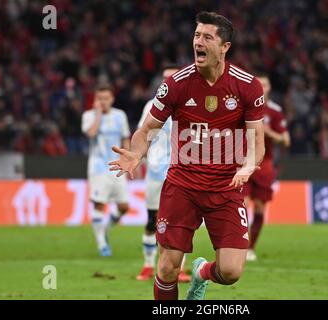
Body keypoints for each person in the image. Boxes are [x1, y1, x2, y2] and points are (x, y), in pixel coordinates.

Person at [108, 11, 265, 300]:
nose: (198, 42)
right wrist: (135, 154)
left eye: (207, 37)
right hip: (183, 186)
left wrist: (249, 164)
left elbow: (257, 139)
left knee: (231, 272)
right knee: (167, 267)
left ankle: (201, 272)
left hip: (226, 187)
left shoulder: (247, 86)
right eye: (196, 35)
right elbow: (147, 130)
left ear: (225, 47)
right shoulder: (176, 84)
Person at [136, 65, 191, 283]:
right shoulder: (151, 106)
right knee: (152, 221)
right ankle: (148, 265)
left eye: (173, 77)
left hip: (183, 173)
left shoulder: (190, 104)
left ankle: (180, 269)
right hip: (156, 172)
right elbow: (143, 133)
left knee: (181, 223)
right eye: (165, 78)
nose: (169, 81)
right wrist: (138, 158)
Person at [243, 75, 290, 261]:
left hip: (265, 164)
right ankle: (239, 246)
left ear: (269, 87)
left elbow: (286, 140)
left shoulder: (275, 112)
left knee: (260, 208)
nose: (262, 87)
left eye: (265, 84)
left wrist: (267, 132)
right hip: (244, 162)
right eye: (259, 84)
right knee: (243, 205)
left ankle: (251, 248)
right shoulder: (244, 106)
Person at [82, 84, 131, 257]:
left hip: (116, 165)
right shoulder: (88, 116)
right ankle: (102, 244)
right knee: (99, 203)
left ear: (112, 99)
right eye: (99, 98)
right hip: (98, 167)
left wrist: (127, 160)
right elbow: (91, 134)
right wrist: (97, 115)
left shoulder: (120, 116)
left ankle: (103, 230)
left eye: (105, 98)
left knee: (124, 206)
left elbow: (125, 138)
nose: (102, 101)